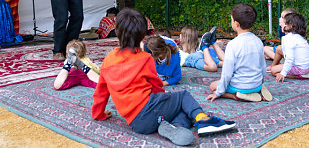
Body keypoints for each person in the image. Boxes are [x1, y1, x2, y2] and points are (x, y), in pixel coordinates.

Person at [91, 8, 236, 146]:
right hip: (151, 111)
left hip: (136, 124)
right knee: (183, 97)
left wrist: (98, 114)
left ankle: (177, 127)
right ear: (142, 36)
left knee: (179, 108)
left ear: (117, 32)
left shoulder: (108, 60)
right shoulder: (144, 58)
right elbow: (156, 86)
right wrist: (164, 101)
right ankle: (203, 120)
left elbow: (101, 92)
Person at [206, 3, 272, 103]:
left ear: (236, 24)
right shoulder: (258, 41)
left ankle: (236, 96)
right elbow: (263, 66)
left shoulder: (233, 44)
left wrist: (218, 92)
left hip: (240, 86)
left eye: (231, 20)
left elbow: (227, 73)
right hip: (257, 85)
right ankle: (257, 92)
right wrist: (260, 83)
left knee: (213, 86)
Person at [269, 12, 309, 81]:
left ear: (290, 26)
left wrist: (283, 73)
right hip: (305, 66)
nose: (281, 24)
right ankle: (275, 66)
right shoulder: (296, 36)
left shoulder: (289, 39)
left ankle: (299, 76)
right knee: (279, 49)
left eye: (283, 22)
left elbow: (290, 58)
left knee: (273, 70)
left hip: (300, 68)